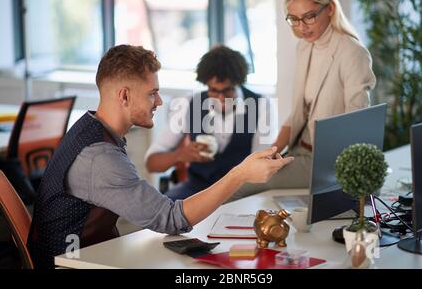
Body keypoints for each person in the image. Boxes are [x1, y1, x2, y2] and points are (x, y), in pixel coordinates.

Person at [26, 45, 293, 269]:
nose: (160, 102)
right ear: (125, 96)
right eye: (152, 93)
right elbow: (170, 219)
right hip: (71, 265)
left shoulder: (90, 128)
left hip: (89, 254)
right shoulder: (100, 157)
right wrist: (240, 173)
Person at [229, 0, 376, 201]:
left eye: (309, 17)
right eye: (294, 19)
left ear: (330, 9)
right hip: (299, 151)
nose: (301, 27)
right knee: (245, 173)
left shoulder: (351, 52)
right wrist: (270, 153)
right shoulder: (305, 47)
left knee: (241, 182)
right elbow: (297, 113)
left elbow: (356, 123)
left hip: (326, 161)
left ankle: (191, 230)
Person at [145, 45, 273, 200]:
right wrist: (180, 155)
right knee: (163, 212)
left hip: (240, 190)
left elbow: (261, 162)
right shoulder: (188, 103)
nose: (221, 98)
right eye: (213, 90)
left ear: (238, 83)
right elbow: (151, 163)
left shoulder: (260, 104)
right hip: (197, 188)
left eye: (227, 90)